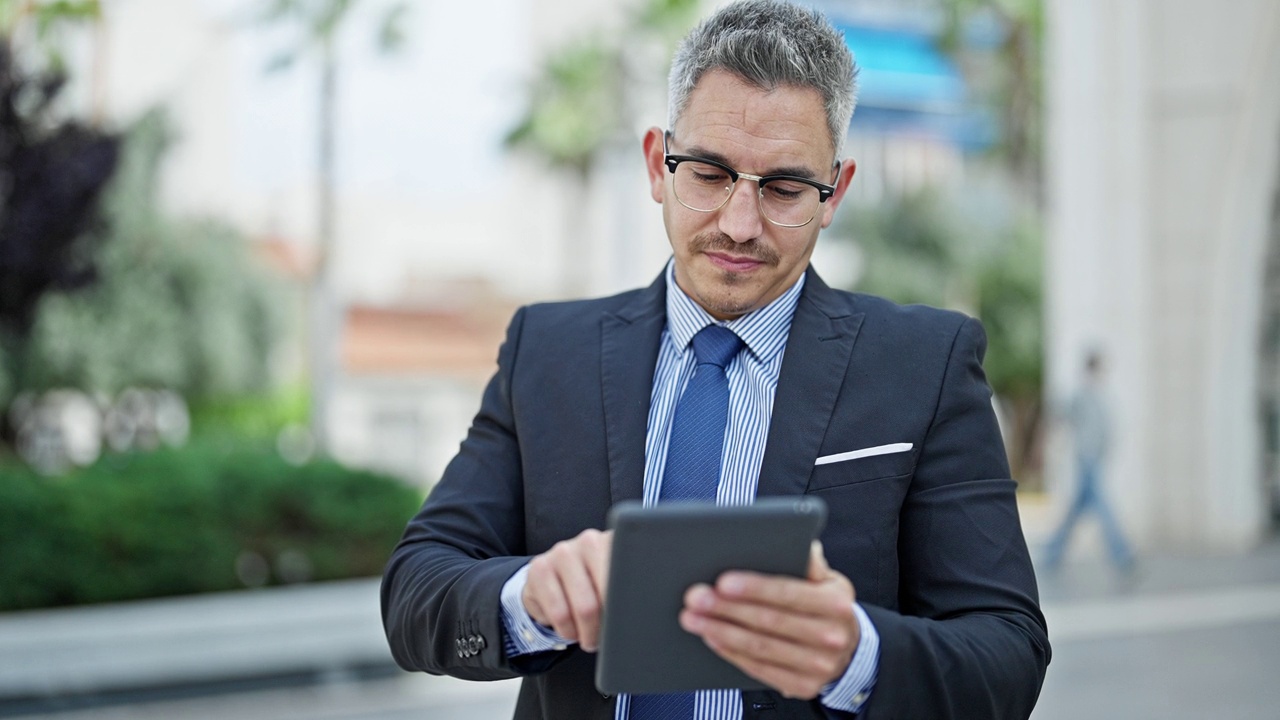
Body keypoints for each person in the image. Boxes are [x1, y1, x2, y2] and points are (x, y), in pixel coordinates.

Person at [380, 2, 1050, 718]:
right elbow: (416, 591)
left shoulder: (926, 365)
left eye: (786, 188)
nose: (739, 225)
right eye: (708, 173)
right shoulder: (546, 353)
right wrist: (529, 598)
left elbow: (1007, 656)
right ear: (655, 164)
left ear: (837, 193)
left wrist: (854, 653)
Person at [1042, 351, 1135, 574]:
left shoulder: (1097, 393)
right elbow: (1061, 411)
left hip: (1092, 459)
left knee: (1075, 510)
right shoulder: (1084, 391)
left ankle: (1052, 554)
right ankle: (1121, 553)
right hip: (1088, 460)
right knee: (1103, 508)